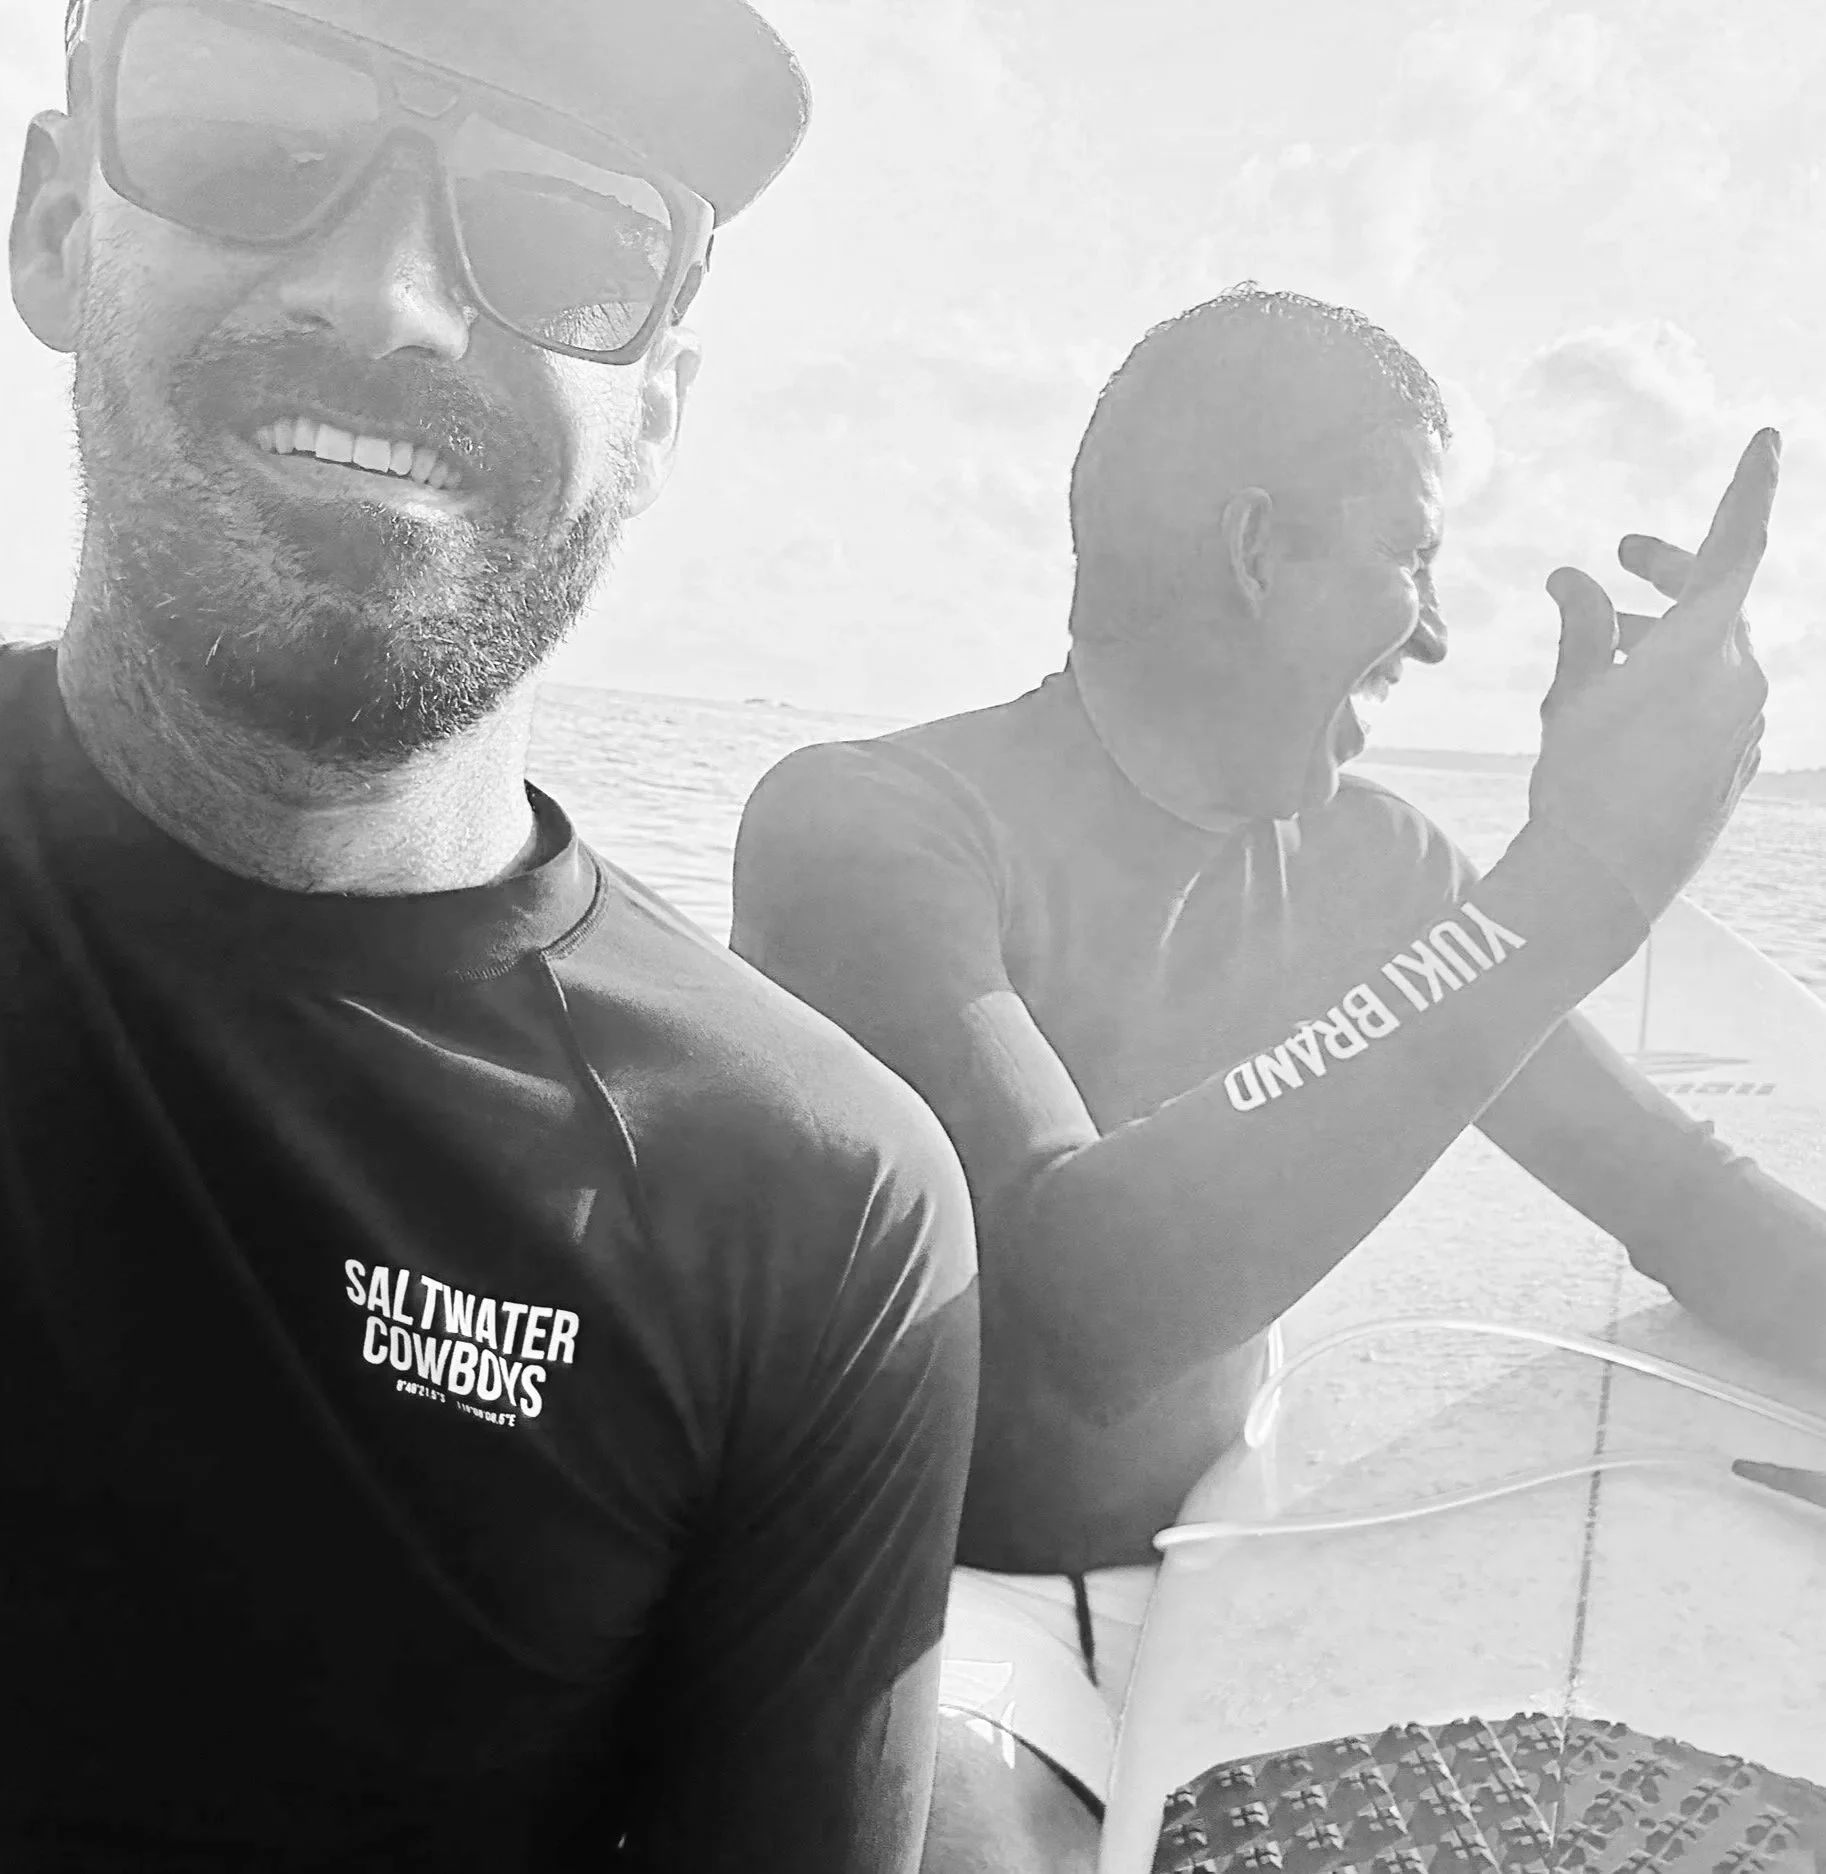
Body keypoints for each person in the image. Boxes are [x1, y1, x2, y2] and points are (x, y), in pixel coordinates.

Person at [0, 1, 980, 1867]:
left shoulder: (807, 1209)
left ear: (657, 407)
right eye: (256, 140)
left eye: (565, 236)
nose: (389, 304)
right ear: (51, 218)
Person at [728, 285, 1815, 1871]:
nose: (1437, 628)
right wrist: (1573, 887)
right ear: (1257, 553)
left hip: (1238, 1555)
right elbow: (1082, 1296)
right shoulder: (865, 826)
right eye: (1411, 555)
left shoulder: (1371, 860)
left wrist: (1542, 905)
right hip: (930, 1602)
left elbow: (1671, 1192)